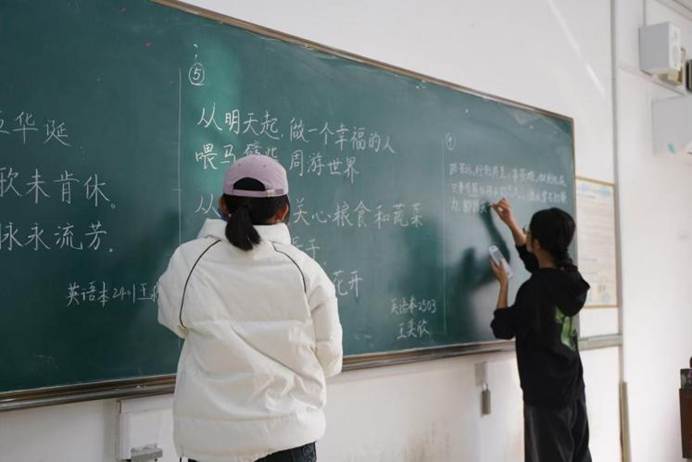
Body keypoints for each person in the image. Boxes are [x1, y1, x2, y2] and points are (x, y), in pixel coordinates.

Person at [157, 155, 343, 462]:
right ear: (283, 211)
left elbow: (173, 321)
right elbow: (330, 360)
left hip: (211, 443)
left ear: (223, 205)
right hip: (288, 437)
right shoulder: (306, 271)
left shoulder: (189, 262)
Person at [489, 198, 592, 462]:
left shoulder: (532, 291)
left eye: (529, 232)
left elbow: (502, 327)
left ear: (537, 243)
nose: (526, 235)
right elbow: (537, 263)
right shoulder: (571, 278)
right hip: (572, 388)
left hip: (545, 395)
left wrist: (503, 284)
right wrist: (511, 223)